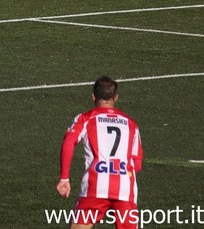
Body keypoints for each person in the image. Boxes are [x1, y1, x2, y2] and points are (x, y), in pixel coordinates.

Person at [56, 76, 143, 229]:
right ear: (116, 97)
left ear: (93, 96)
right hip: (125, 189)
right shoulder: (131, 124)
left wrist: (64, 178)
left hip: (96, 185)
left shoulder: (86, 118)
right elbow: (137, 164)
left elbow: (69, 141)